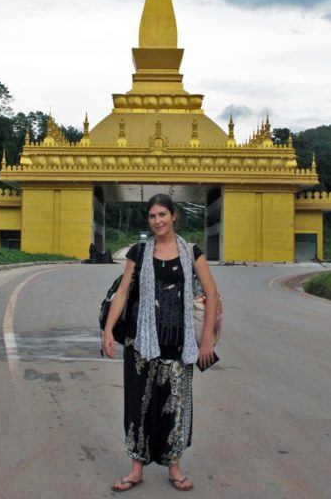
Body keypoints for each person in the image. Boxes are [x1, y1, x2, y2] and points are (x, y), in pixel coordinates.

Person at [103, 193, 219, 492]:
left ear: (174, 215)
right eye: (153, 216)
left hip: (179, 346)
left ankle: (175, 468)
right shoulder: (139, 253)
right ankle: (136, 469)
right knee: (138, 407)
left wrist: (206, 342)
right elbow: (123, 294)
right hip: (141, 344)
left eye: (162, 215)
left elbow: (212, 295)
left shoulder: (191, 252)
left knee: (176, 407)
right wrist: (107, 330)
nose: (157, 221)